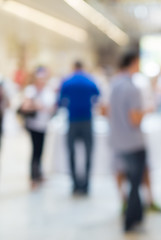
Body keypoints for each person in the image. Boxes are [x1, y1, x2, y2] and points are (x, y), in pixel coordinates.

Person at [109, 51, 147, 232]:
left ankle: (137, 215)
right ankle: (130, 220)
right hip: (133, 142)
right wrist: (147, 111)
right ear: (134, 62)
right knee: (135, 182)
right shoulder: (132, 88)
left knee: (128, 179)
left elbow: (105, 110)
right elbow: (135, 119)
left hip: (117, 140)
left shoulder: (114, 85)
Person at [58, 61, 100, 195]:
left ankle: (75, 184)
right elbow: (97, 96)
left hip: (73, 120)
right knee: (88, 152)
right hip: (87, 119)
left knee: (71, 152)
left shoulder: (67, 81)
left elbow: (60, 101)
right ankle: (86, 184)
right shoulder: (90, 80)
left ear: (73, 67)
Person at [20, 67, 55, 189]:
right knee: (35, 150)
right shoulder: (31, 90)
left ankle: (39, 173)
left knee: (41, 150)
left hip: (43, 124)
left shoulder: (47, 91)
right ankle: (33, 177)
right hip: (33, 125)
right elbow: (25, 106)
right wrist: (36, 106)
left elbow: (51, 107)